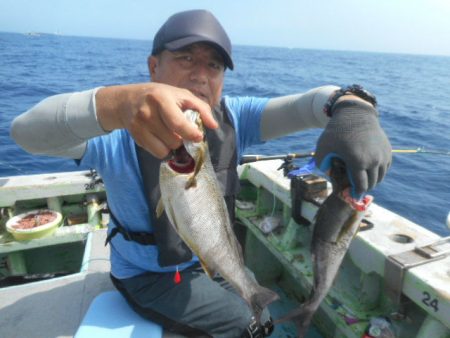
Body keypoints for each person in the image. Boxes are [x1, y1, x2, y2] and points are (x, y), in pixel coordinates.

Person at [10, 9, 392, 338]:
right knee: (247, 325)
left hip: (216, 257)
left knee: (264, 314)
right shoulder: (112, 134)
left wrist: (352, 106)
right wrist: (115, 104)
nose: (201, 75)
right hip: (150, 276)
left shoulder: (235, 117)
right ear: (153, 66)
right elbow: (26, 132)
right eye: (186, 57)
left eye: (214, 64)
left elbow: (309, 105)